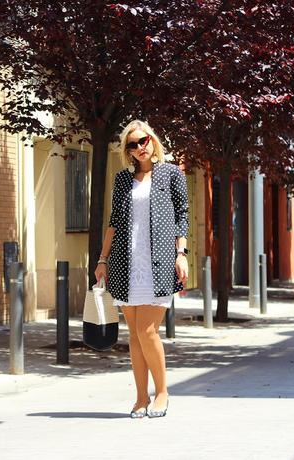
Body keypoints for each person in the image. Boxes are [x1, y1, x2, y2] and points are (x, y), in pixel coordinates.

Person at [94, 120, 189, 419]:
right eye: (132, 145)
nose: (140, 148)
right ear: (128, 151)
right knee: (134, 334)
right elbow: (113, 223)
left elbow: (182, 214)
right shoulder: (123, 180)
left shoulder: (171, 173)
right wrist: (102, 259)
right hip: (126, 262)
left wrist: (181, 252)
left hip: (158, 262)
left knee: (148, 330)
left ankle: (162, 392)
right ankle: (140, 398)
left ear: (152, 140)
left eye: (143, 141)